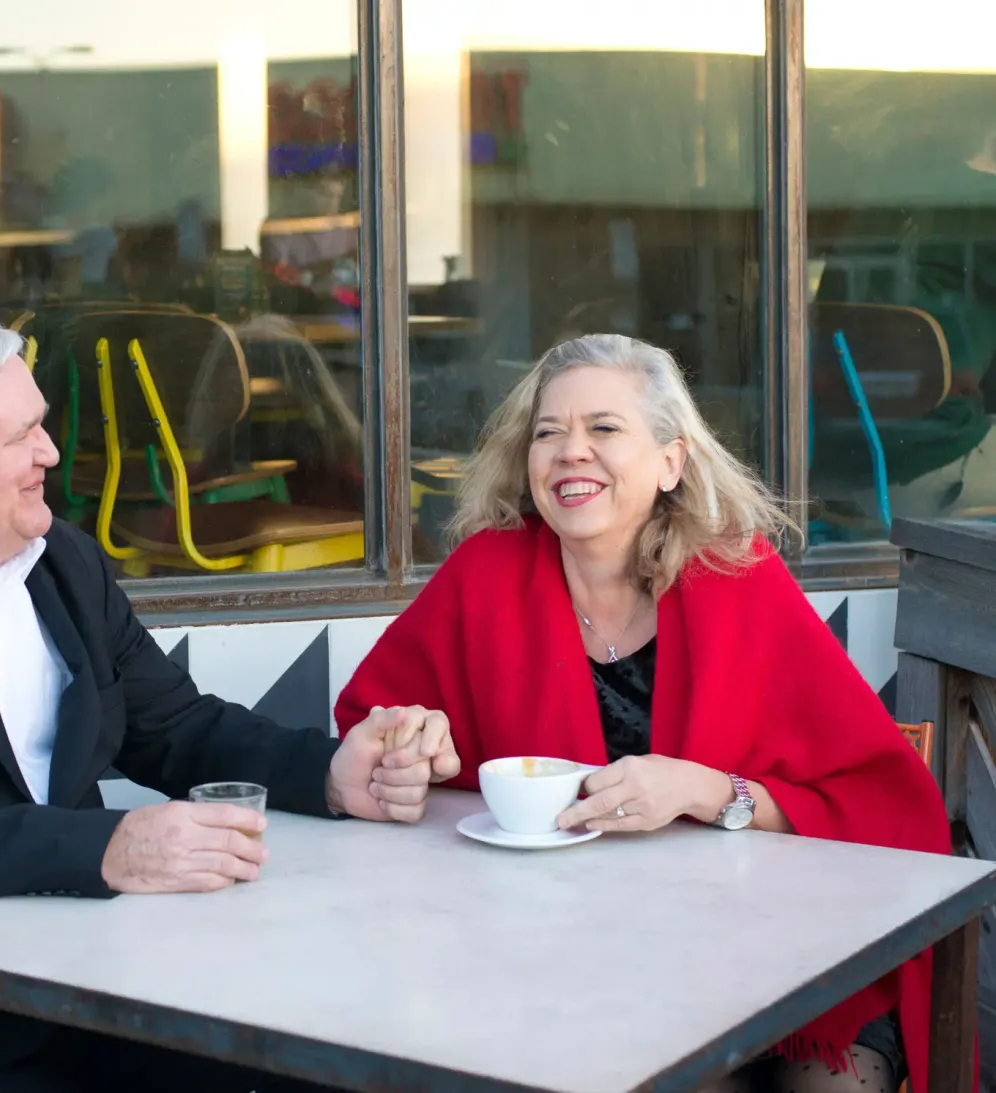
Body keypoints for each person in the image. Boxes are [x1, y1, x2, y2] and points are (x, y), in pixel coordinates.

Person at [0, 309, 460, 1093]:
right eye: (20, 435)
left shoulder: (58, 559)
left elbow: (176, 728)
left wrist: (332, 773)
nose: (51, 453)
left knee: (326, 1063)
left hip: (81, 991)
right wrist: (104, 847)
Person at [334, 334, 951, 1093]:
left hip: (777, 939)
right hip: (556, 953)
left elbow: (879, 802)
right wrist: (406, 750)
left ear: (670, 462)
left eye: (604, 427)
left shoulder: (740, 576)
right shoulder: (484, 574)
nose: (571, 450)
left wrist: (705, 790)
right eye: (549, 432)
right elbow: (374, 725)